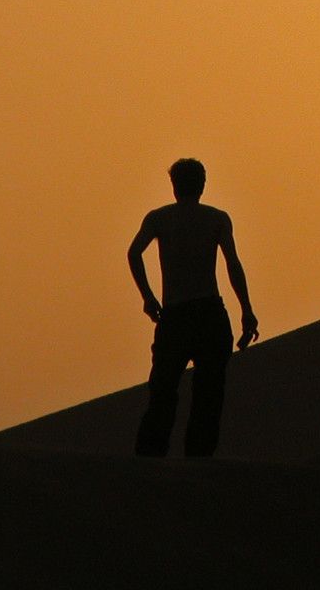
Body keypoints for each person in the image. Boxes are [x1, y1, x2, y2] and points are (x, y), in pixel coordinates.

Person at [128, 157, 258, 458]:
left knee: (163, 393)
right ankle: (196, 460)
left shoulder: (159, 219)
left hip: (176, 316)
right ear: (202, 185)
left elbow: (134, 253)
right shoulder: (216, 218)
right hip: (209, 314)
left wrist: (147, 297)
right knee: (207, 395)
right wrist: (246, 309)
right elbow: (233, 265)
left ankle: (152, 459)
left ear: (174, 186)